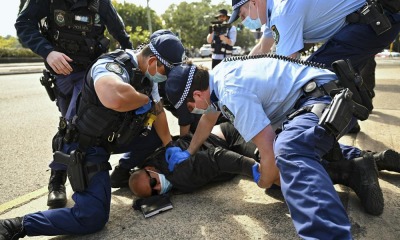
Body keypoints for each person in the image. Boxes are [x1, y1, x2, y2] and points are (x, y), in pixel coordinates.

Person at [163, 56, 385, 239]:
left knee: (288, 151)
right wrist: (189, 151)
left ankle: (328, 235)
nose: (193, 112)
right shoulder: (218, 78)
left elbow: (269, 154)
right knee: (283, 161)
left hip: (324, 100)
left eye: (191, 107)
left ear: (197, 95)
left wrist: (263, 179)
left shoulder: (230, 92)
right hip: (312, 100)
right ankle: (358, 165)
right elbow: (208, 120)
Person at [0, 32, 185, 239]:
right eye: (167, 72)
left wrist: (170, 146)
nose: (166, 77)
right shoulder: (112, 65)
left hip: (112, 138)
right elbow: (112, 96)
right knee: (92, 217)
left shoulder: (148, 75)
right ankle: (16, 225)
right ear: (153, 61)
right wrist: (145, 101)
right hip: (87, 146)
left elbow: (158, 111)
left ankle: (122, 172)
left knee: (156, 137)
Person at [15, 0, 134, 208]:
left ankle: (57, 182)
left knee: (73, 124)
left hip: (89, 73)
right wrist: (47, 52)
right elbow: (24, 24)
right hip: (61, 74)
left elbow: (119, 31)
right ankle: (64, 176)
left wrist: (132, 58)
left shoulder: (100, 2)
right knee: (66, 124)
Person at [228, 0, 400, 132]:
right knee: (329, 73)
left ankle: (317, 135)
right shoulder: (276, 11)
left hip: (376, 21)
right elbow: (261, 48)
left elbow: (287, 67)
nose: (244, 21)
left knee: (312, 79)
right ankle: (347, 120)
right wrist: (237, 73)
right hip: (374, 20)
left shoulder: (282, 13)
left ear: (254, 2)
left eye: (242, 15)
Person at [129, 122, 400, 199]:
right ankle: (373, 159)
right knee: (283, 157)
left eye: (153, 182)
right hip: (224, 135)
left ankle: (351, 170)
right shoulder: (156, 167)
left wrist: (260, 172)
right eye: (153, 193)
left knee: (277, 171)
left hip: (232, 136)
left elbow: (221, 158)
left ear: (150, 169)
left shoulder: (179, 172)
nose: (158, 188)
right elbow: (127, 176)